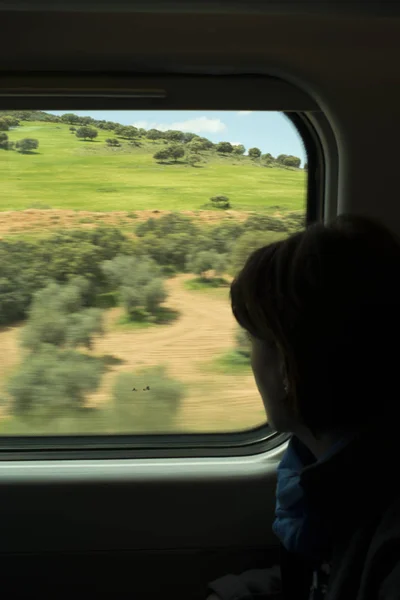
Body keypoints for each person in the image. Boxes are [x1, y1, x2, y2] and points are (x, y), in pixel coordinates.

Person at [207, 214, 400, 600]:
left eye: (254, 340)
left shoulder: (388, 539)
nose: (251, 360)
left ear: (288, 365)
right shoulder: (329, 476)